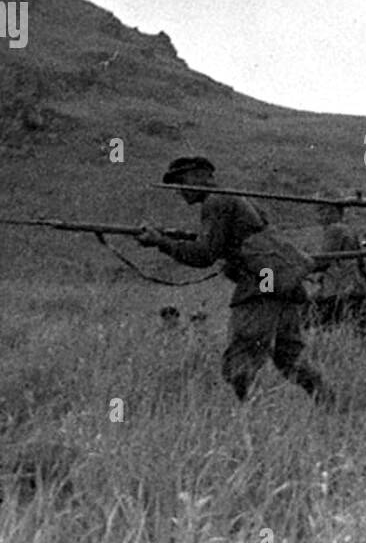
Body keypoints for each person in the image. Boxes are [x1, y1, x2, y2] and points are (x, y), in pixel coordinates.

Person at [136, 156, 334, 406]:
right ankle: (332, 407)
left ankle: (250, 417)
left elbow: (205, 255)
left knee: (241, 356)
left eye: (181, 181)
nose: (179, 190)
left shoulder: (215, 202)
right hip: (283, 280)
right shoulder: (236, 198)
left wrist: (160, 242)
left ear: (200, 176)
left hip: (264, 280)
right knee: (290, 358)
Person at [306, 201, 366, 333]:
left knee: (314, 323)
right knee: (362, 332)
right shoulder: (348, 230)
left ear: (334, 213)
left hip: (339, 289)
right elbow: (360, 263)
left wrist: (301, 267)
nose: (321, 217)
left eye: (324, 212)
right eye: (319, 212)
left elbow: (323, 261)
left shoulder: (335, 229)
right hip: (354, 286)